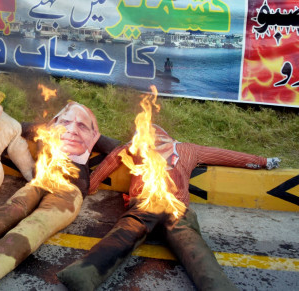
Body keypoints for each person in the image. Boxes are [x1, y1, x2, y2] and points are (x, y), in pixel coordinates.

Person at [57, 124, 280, 291]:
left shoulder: (136, 147)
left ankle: (83, 275)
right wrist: (263, 161)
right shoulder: (187, 149)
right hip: (176, 208)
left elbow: (105, 167)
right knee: (195, 250)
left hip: (145, 205)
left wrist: (85, 188)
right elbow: (226, 155)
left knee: (120, 238)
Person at [0, 102, 116, 288]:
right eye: (66, 122)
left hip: (69, 190)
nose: (73, 129)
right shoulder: (43, 129)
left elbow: (125, 148)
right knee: (8, 211)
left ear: (92, 133)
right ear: (56, 121)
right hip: (39, 180)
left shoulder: (93, 139)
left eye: (82, 125)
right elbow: (13, 126)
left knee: (38, 223)